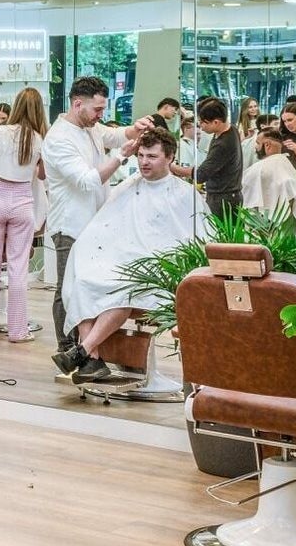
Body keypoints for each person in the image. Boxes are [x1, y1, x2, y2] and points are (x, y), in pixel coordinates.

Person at [61, 127, 202, 382]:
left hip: (160, 272)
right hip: (121, 262)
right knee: (83, 282)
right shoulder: (128, 186)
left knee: (126, 288)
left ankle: (82, 351)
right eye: (141, 155)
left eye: (152, 156)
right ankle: (90, 359)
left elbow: (196, 243)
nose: (144, 162)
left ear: (170, 157)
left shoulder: (184, 194)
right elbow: (101, 231)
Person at [43, 76, 150, 376]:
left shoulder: (88, 126)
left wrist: (134, 129)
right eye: (97, 109)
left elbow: (114, 135)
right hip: (70, 224)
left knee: (86, 287)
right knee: (68, 288)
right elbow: (88, 181)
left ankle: (85, 349)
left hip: (94, 223)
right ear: (78, 104)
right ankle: (67, 348)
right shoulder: (58, 139)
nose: (100, 114)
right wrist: (121, 158)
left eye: (103, 109)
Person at [0, 87, 47, 342]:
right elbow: (42, 176)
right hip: (22, 202)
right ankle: (17, 331)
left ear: (16, 107)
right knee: (18, 267)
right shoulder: (39, 139)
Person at [187, 97, 242, 219]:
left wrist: (173, 168)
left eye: (202, 122)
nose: (200, 126)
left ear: (216, 122)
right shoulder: (230, 129)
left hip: (224, 200)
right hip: (222, 196)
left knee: (221, 237)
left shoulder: (223, 144)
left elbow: (200, 175)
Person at [243, 129, 296, 228]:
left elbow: (245, 190)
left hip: (261, 224)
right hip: (286, 225)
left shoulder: (259, 169)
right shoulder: (288, 168)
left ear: (267, 145)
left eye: (257, 143)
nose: (255, 147)